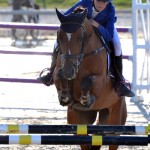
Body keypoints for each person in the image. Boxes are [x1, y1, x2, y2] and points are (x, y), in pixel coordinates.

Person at [38, 0, 135, 97]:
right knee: (56, 42)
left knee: (117, 44)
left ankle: (119, 81)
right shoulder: (84, 2)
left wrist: (97, 25)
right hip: (83, 29)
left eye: (104, 2)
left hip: (104, 28)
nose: (101, 4)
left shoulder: (110, 8)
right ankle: (51, 73)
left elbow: (109, 35)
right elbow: (67, 15)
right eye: (98, 1)